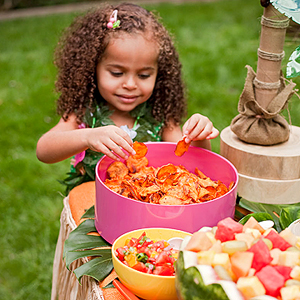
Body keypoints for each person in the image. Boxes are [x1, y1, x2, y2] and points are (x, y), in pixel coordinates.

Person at [36, 2, 219, 193]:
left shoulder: (161, 115)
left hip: (146, 210)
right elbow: (44, 150)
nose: (130, 85)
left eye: (144, 75)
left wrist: (199, 136)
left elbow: (192, 162)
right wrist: (88, 137)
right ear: (92, 69)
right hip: (92, 206)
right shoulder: (85, 112)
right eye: (116, 73)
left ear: (159, 74)